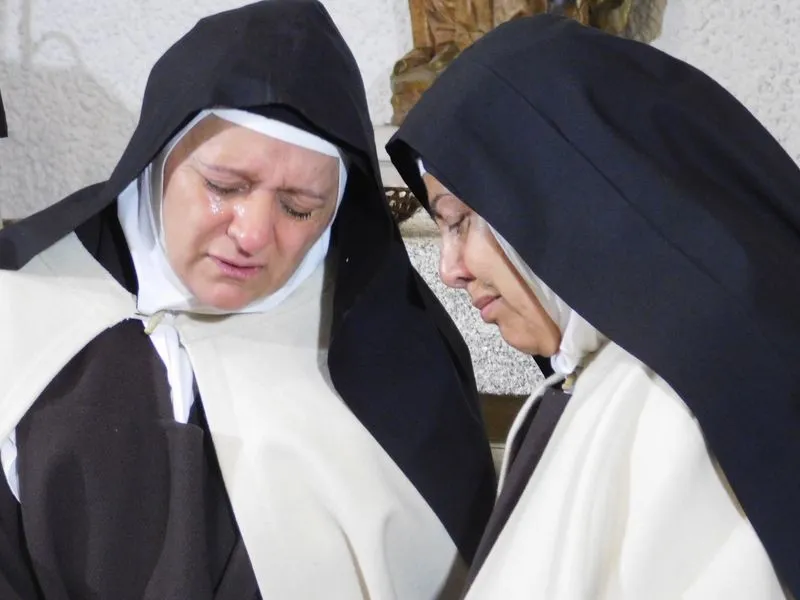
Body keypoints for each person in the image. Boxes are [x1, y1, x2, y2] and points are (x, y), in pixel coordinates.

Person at [0, 1, 497, 598]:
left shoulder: (404, 364)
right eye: (225, 186)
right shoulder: (24, 310)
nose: (254, 234)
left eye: (299, 207)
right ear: (157, 161)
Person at [387, 13, 800, 600]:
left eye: (459, 220)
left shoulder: (673, 413)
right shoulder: (613, 372)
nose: (450, 270)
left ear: (550, 196)